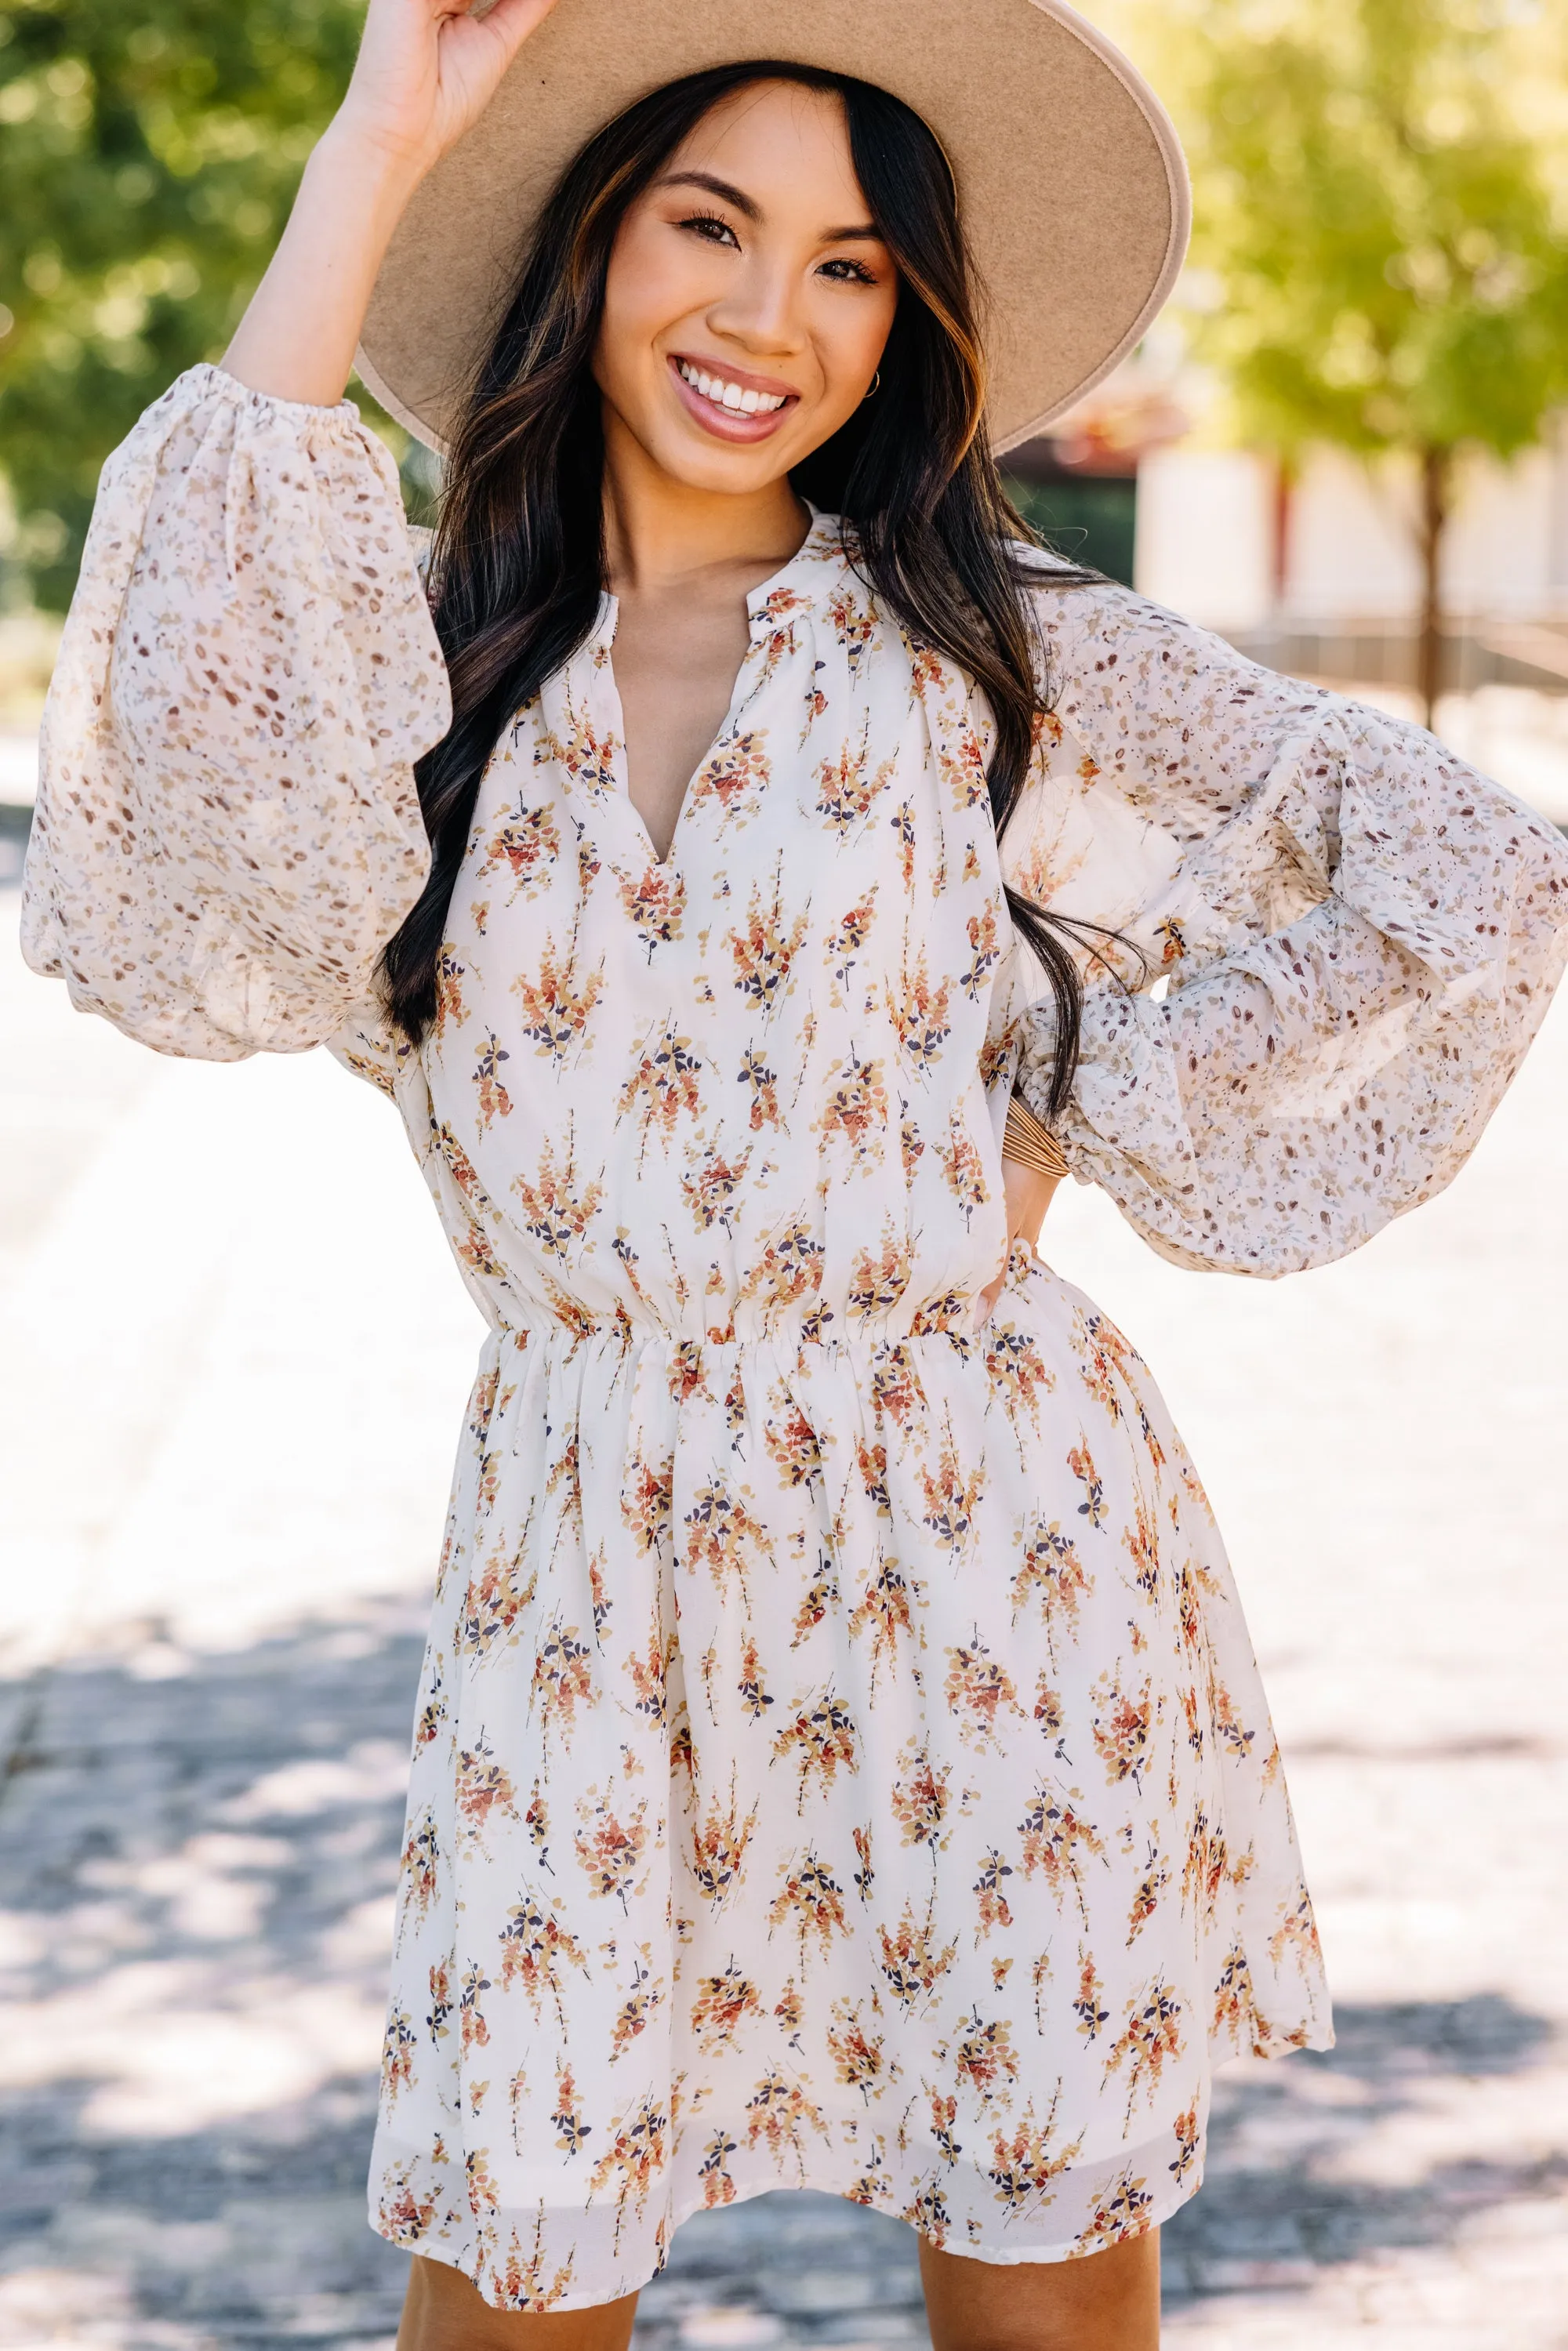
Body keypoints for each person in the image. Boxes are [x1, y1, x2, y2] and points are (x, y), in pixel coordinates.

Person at [20, 1, 1568, 2344]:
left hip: (994, 1547)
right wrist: (379, 136)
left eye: (851, 265)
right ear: (587, 246)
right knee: (514, 2277)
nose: (769, 317)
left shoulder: (993, 665)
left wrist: (1081, 1083)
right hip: (582, 1575)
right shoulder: (414, 702)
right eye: (707, 226)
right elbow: (182, 702)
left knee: (1038, 2291)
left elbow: (1460, 872)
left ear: (911, 320)